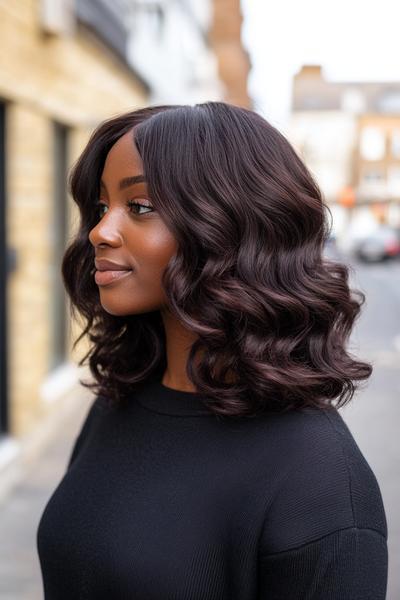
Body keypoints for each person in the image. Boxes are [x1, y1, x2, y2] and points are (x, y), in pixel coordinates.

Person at [36, 102, 388, 599]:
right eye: (100, 207)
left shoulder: (319, 482)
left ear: (231, 227)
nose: (100, 231)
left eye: (139, 207)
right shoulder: (120, 402)